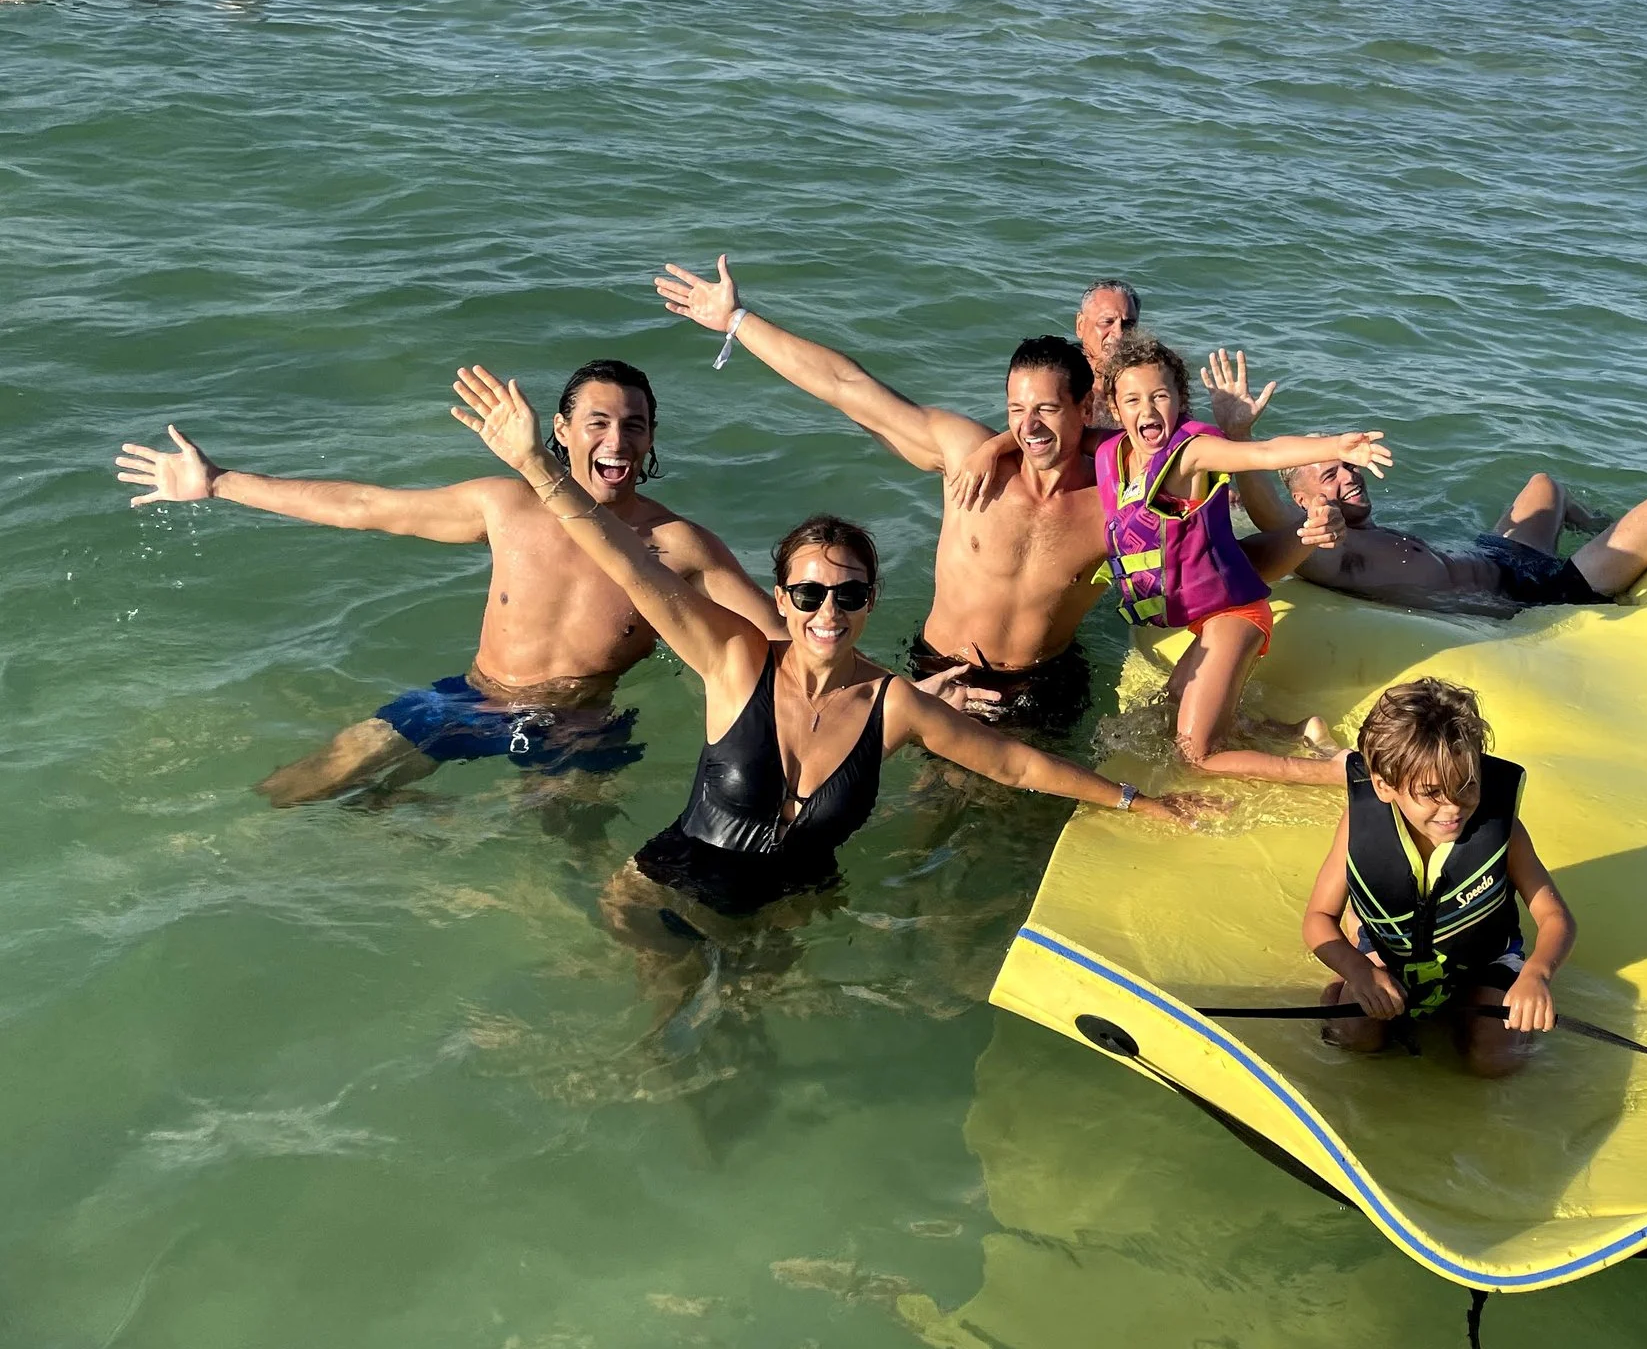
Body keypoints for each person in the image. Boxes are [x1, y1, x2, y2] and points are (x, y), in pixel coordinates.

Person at [440, 366, 1199, 992]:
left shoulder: (896, 703)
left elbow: (1017, 762)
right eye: (807, 594)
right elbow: (627, 562)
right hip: (662, 893)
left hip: (788, 906)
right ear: (781, 600)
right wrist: (538, 465)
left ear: (871, 601)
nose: (825, 610)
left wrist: (1140, 801)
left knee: (751, 1044)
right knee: (664, 1026)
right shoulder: (732, 658)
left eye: (847, 594)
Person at [114, 359, 781, 805]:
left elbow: (778, 642)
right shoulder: (507, 504)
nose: (617, 440)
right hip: (473, 698)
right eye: (598, 423)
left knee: (555, 876)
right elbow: (365, 507)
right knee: (302, 789)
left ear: (651, 438)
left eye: (634, 425)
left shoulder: (679, 545)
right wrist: (219, 481)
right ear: (560, 432)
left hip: (579, 729)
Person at [659, 257, 1160, 731]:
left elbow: (1192, 467)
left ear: (1084, 408)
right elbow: (846, 386)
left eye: (1047, 410)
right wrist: (738, 320)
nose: (1028, 427)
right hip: (944, 671)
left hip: (1045, 680)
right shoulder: (968, 458)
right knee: (936, 802)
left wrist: (1231, 426)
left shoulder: (1120, 491)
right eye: (1016, 410)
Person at [1204, 345, 1647, 614]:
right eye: (1329, 474)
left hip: (1493, 555)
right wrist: (1238, 439)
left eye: (1348, 465)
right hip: (1531, 594)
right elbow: (1269, 519)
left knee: (1544, 485)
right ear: (1302, 498)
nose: (1348, 475)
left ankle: (1605, 534)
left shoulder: (1357, 529)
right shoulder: (1323, 546)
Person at [1097, 333, 1389, 785]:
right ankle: (1300, 731)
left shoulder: (1189, 453)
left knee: (1196, 754)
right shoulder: (1114, 455)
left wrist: (1335, 447)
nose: (1148, 410)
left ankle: (1338, 773)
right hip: (1206, 619)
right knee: (1165, 717)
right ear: (1115, 410)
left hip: (1235, 614)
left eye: (1160, 395)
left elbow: (1263, 454)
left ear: (1180, 401)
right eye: (1132, 399)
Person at [1300, 678, 1573, 1077]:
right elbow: (1317, 919)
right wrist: (1359, 971)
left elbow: (1556, 918)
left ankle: (1469, 1014)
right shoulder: (1358, 827)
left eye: (1467, 785)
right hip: (1387, 957)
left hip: (1483, 961)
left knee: (1494, 1060)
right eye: (1431, 793)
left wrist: (1536, 975)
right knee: (1354, 1037)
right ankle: (1339, 994)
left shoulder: (1504, 831)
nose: (1453, 808)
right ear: (1384, 785)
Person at [1073, 277, 1141, 416]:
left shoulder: (1147, 383)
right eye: (1107, 322)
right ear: (1081, 325)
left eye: (1128, 325)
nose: (1119, 334)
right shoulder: (1061, 379)